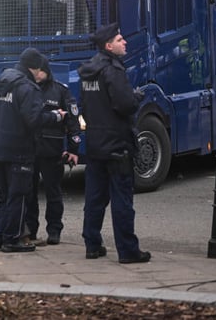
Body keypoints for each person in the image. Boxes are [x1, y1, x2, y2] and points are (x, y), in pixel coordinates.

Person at [77, 22, 150, 263]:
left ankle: (92, 245)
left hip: (96, 144)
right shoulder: (113, 70)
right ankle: (128, 251)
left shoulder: (88, 72)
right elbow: (125, 105)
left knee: (95, 198)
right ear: (109, 46)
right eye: (120, 40)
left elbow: (85, 107)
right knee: (122, 200)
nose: (125, 42)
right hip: (117, 145)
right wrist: (136, 96)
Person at [0, 47, 63, 253]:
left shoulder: (2, 80)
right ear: (35, 68)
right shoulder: (27, 87)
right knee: (18, 195)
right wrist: (56, 116)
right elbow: (34, 120)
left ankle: (0, 235)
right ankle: (13, 239)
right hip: (18, 148)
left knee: (3, 195)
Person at [25, 58, 81, 246]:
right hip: (30, 149)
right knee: (29, 193)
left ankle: (54, 230)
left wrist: (74, 149)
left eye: (40, 71)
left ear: (46, 71)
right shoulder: (27, 88)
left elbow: (72, 120)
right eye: (35, 71)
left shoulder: (60, 90)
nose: (37, 74)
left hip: (52, 150)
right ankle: (30, 230)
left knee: (53, 193)